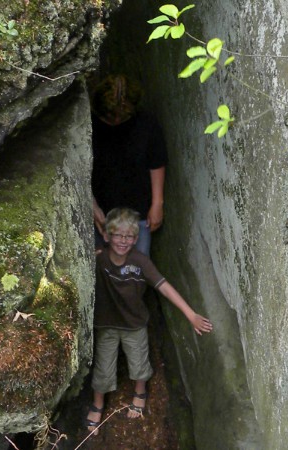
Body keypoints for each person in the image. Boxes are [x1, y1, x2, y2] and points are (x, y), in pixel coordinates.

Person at [85, 208, 213, 435]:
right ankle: (97, 404)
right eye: (117, 235)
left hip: (135, 323)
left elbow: (163, 287)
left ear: (136, 239)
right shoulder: (98, 259)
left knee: (139, 362)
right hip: (106, 324)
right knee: (103, 366)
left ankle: (140, 392)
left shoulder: (140, 261)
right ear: (106, 235)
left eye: (129, 236)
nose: (123, 241)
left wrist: (190, 314)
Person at [91, 74, 167, 256]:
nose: (116, 121)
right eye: (110, 117)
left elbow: (156, 162)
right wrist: (91, 206)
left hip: (138, 212)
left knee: (138, 267)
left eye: (121, 117)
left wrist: (157, 203)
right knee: (102, 268)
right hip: (100, 209)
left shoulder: (146, 124)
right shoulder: (89, 125)